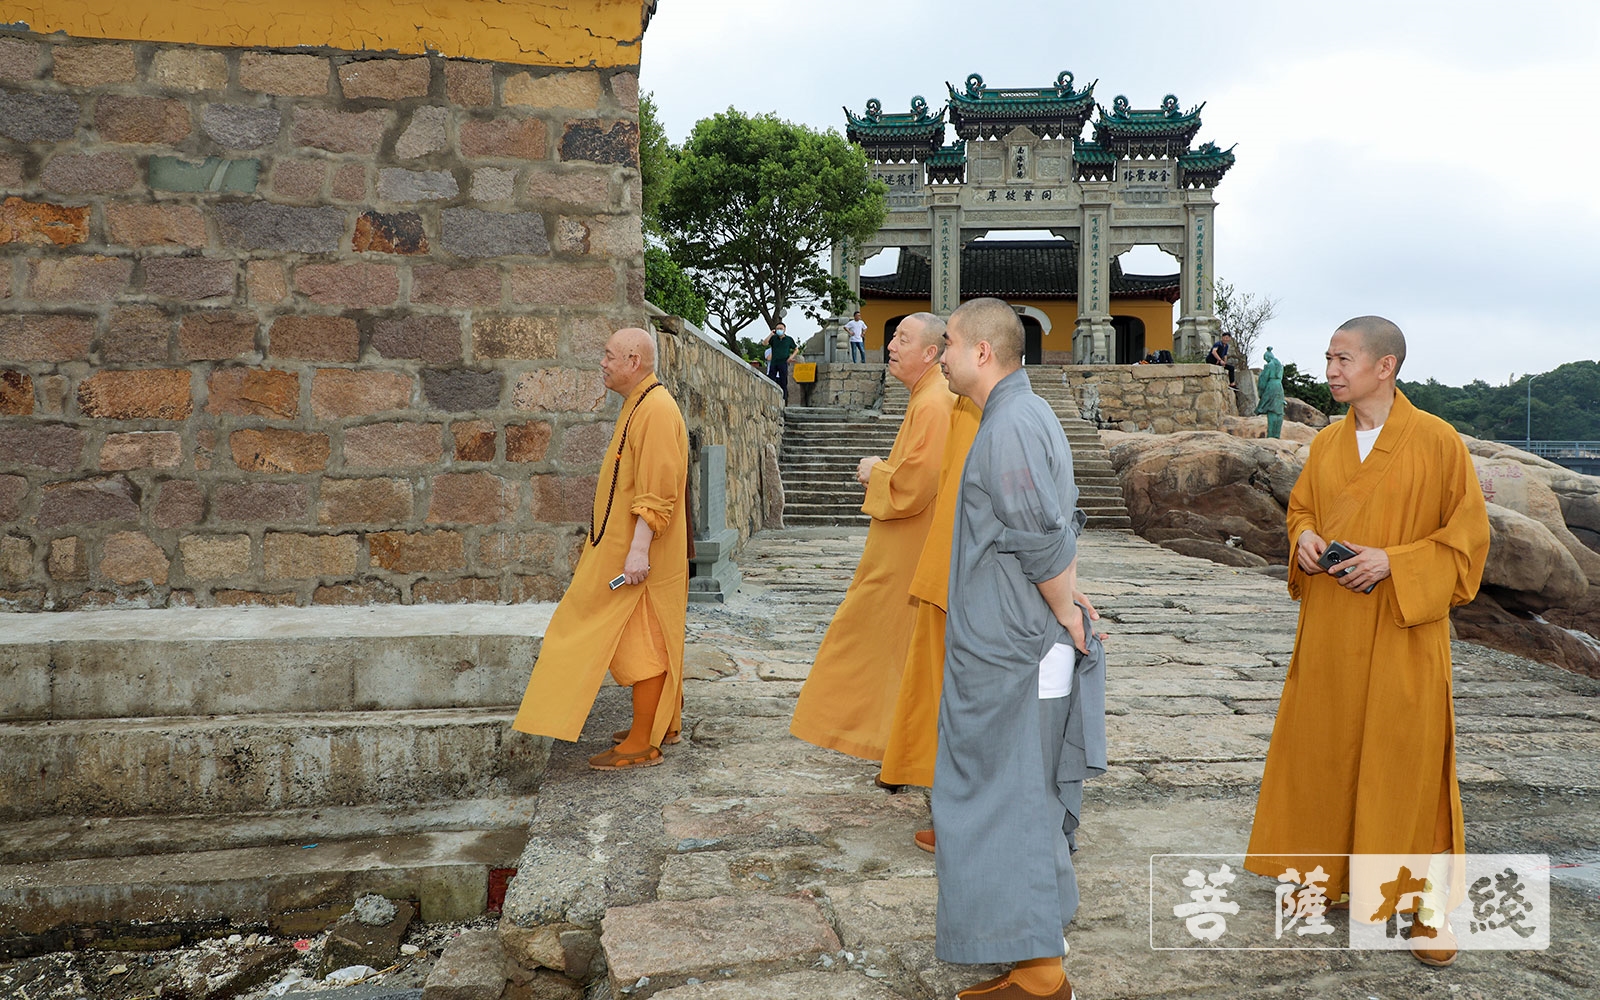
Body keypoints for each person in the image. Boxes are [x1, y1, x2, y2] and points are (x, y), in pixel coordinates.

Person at [1244, 316, 1489, 968]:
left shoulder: (1437, 443)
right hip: (1329, 628)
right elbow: (1301, 509)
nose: (1331, 370)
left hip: (1402, 633)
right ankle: (1320, 876)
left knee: (1406, 765)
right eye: (1328, 358)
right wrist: (1302, 539)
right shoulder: (1325, 444)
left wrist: (1396, 563)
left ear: (1386, 366)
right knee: (1321, 753)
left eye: (1344, 358)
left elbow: (1467, 547)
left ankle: (1420, 905)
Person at [933, 297, 1106, 1000]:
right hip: (1012, 637)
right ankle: (1032, 945)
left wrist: (1065, 608)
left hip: (1013, 648)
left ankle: (1039, 972)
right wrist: (1067, 596)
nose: (941, 354)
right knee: (1018, 792)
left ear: (981, 352)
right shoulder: (1019, 415)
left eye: (947, 341)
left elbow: (1039, 532)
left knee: (1012, 798)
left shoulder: (1008, 425)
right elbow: (1055, 526)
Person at [511, 327, 690, 771]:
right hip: (620, 550)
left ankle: (642, 741)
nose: (602, 363)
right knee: (628, 639)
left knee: (642, 644)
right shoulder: (641, 403)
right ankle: (651, 725)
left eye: (609, 356)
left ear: (634, 361)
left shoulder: (657, 410)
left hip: (639, 557)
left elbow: (657, 492)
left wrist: (638, 552)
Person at [789, 312, 956, 765]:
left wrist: (876, 471)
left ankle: (903, 752)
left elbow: (915, 485)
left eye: (903, 338)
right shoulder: (927, 398)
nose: (892, 346)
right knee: (888, 653)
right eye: (894, 336)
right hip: (902, 551)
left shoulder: (935, 402)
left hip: (911, 558)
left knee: (882, 650)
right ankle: (896, 751)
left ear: (931, 353)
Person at [877, 391, 981, 847]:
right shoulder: (964, 405)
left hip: (966, 579)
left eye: (951, 345)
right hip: (950, 570)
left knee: (962, 697)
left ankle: (966, 819)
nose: (944, 359)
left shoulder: (958, 408)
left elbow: (925, 485)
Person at [1255, 346, 1285, 438]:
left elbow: (1263, 381)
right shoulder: (1280, 365)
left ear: (1268, 358)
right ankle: (1277, 434)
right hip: (1279, 387)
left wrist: (1261, 392)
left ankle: (1271, 434)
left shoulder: (1269, 366)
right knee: (1278, 410)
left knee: (1271, 409)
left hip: (1271, 386)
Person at [764, 322, 798, 402]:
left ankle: (784, 398)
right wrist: (771, 334)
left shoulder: (789, 339)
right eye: (778, 329)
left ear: (784, 329)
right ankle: (770, 397)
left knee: (783, 381)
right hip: (774, 362)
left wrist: (791, 357)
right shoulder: (774, 338)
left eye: (781, 329)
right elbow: (764, 343)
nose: (779, 330)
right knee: (771, 380)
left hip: (783, 362)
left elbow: (796, 349)